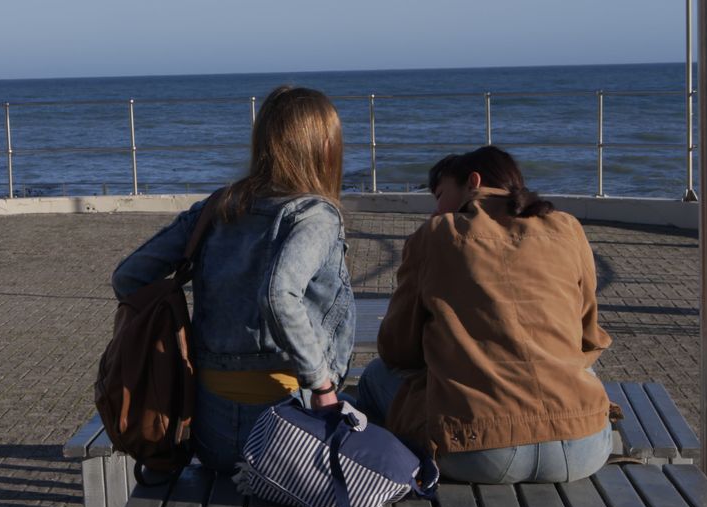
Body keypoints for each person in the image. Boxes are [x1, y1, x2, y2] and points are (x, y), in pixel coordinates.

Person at [110, 86, 355, 473]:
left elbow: (128, 277)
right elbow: (279, 295)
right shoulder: (315, 216)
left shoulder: (217, 207)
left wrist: (179, 339)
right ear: (326, 145)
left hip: (211, 425)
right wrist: (321, 385)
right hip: (289, 419)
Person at [355, 146, 613, 484]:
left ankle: (389, 481)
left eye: (441, 194)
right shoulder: (567, 227)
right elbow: (588, 336)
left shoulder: (436, 234)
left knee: (375, 376)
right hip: (583, 447)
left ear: (473, 182)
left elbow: (397, 349)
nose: (437, 207)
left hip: (478, 452)